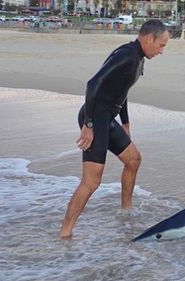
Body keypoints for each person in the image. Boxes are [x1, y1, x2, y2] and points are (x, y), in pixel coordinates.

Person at [59, 20, 169, 238]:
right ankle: (65, 233)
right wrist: (88, 126)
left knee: (133, 160)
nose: (162, 51)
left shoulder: (138, 58)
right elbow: (93, 84)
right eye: (162, 45)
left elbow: (122, 89)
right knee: (91, 182)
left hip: (106, 118)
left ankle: (125, 212)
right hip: (95, 117)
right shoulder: (127, 55)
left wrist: (125, 123)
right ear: (150, 38)